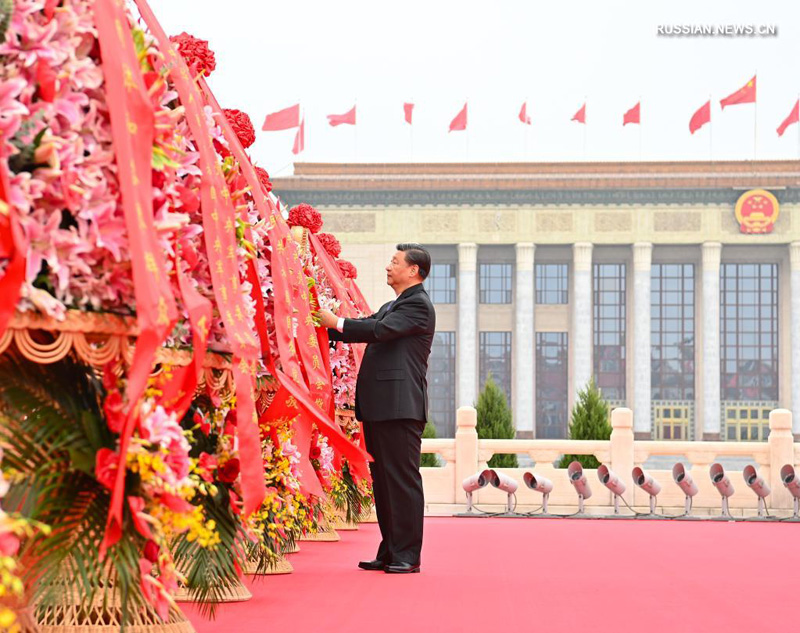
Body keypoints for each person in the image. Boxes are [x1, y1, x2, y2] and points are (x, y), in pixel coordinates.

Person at [319, 243, 435, 574]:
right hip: (381, 407)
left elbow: (378, 331)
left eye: (394, 262)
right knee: (383, 481)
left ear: (413, 270)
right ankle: (390, 550)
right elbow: (361, 326)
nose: (388, 267)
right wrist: (318, 324)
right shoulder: (392, 305)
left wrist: (337, 321)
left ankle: (408, 555)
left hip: (401, 407)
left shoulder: (419, 306)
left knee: (402, 480)